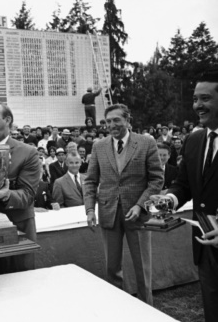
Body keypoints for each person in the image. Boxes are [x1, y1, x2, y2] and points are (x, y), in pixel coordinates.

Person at [150, 69, 218, 322]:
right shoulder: (194, 140)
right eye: (195, 99)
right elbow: (185, 184)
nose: (197, 105)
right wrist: (170, 199)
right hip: (205, 245)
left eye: (205, 98)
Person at [83, 104, 163, 305]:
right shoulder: (99, 146)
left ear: (128, 120)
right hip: (109, 214)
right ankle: (117, 310)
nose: (112, 125)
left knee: (142, 268)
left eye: (116, 120)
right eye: (108, 121)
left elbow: (156, 180)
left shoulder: (146, 143)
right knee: (112, 269)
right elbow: (91, 181)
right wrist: (90, 209)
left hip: (138, 216)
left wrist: (139, 205)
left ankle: (147, 311)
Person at [0, 100, 41, 276]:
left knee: (21, 283)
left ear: (7, 120)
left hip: (18, 229)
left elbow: (28, 195)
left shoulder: (27, 152)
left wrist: (7, 195)